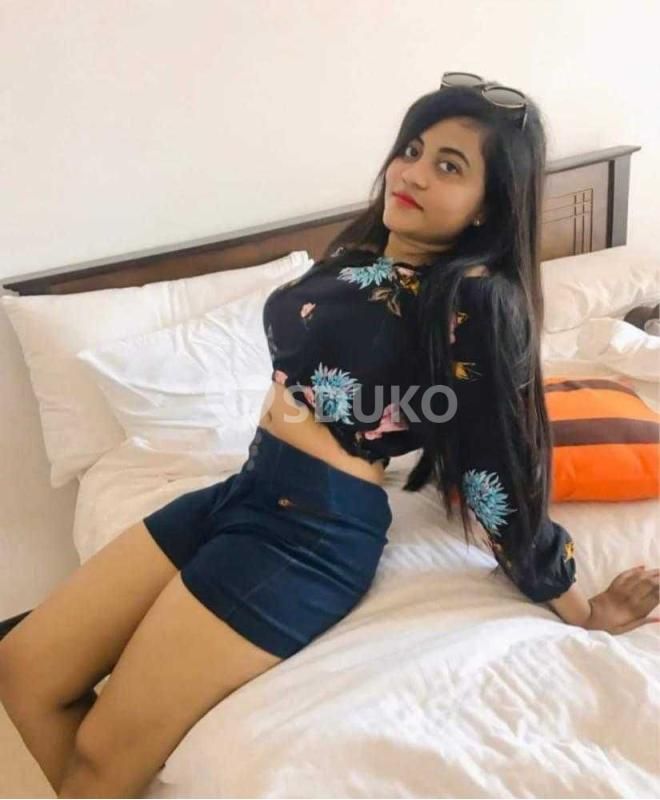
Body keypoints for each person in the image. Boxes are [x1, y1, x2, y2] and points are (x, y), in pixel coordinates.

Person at [1, 74, 658, 798]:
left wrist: (581, 609)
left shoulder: (473, 299)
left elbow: (493, 469)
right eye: (413, 149)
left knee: (103, 753)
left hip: (311, 533)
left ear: (488, 206)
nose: (412, 172)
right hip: (248, 488)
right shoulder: (361, 255)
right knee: (23, 670)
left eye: (449, 166)